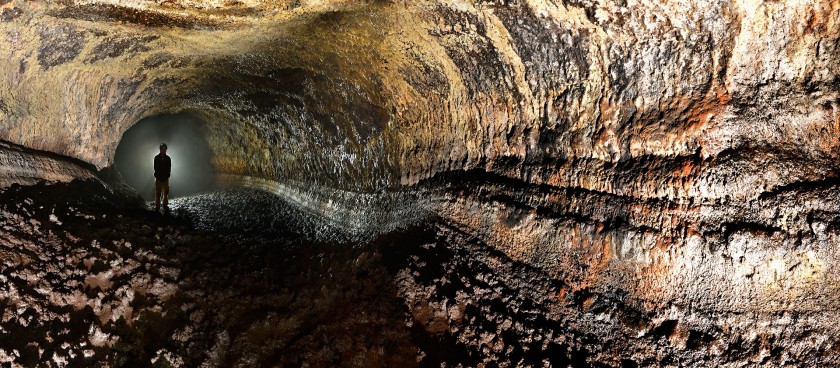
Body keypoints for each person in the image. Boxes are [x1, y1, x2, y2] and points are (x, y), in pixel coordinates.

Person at [154, 143, 171, 212]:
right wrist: (158, 176)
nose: (163, 150)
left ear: (166, 149)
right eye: (162, 149)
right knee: (158, 193)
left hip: (165, 179)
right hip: (158, 179)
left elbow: (169, 168)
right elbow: (155, 168)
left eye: (164, 149)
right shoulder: (156, 158)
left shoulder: (168, 158)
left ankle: (165, 206)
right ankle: (157, 207)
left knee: (165, 193)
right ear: (160, 149)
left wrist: (166, 176)